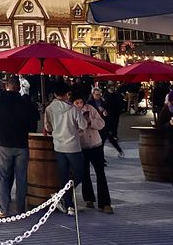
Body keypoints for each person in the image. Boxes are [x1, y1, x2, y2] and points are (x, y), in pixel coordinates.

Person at [0, 76, 39, 217]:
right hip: (21, 144)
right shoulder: (24, 102)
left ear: (6, 86)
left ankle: (4, 209)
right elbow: (34, 120)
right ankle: (20, 209)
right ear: (18, 87)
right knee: (21, 177)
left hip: (4, 143)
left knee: (3, 177)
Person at [45, 81, 88, 216]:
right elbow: (83, 125)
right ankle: (65, 195)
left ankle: (69, 204)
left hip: (58, 145)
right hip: (73, 146)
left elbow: (48, 128)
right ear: (66, 94)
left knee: (63, 175)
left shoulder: (49, 109)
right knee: (80, 173)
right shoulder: (73, 109)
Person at [73, 92, 113, 214]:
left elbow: (101, 123)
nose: (79, 104)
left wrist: (90, 122)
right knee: (84, 173)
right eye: (77, 102)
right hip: (81, 146)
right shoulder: (72, 112)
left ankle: (105, 203)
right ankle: (89, 198)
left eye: (81, 102)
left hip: (95, 144)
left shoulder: (90, 109)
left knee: (100, 173)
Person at [89, 87, 124, 157]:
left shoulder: (102, 101)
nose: (98, 96)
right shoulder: (90, 103)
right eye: (96, 94)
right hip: (95, 124)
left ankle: (120, 151)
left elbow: (108, 110)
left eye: (99, 94)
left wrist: (105, 111)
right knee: (100, 140)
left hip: (104, 122)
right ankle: (100, 157)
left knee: (109, 137)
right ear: (93, 94)